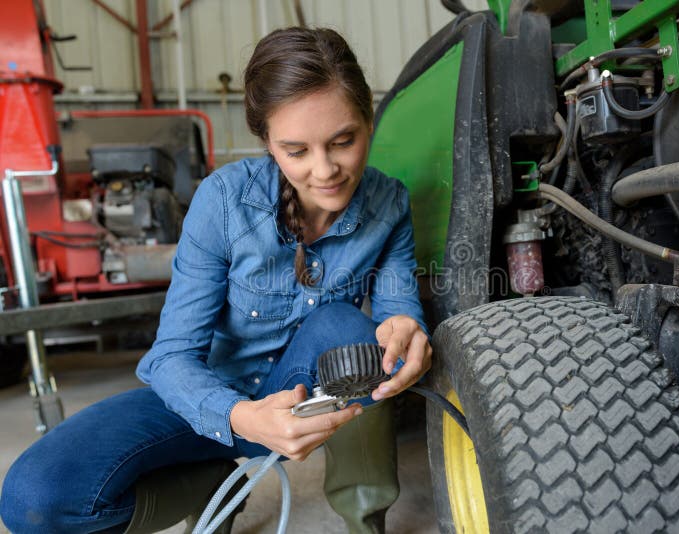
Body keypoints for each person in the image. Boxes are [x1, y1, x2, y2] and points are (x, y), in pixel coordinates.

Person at [0, 27, 432, 534]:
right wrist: (239, 417)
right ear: (268, 142)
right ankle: (209, 487)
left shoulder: (389, 203)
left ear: (368, 120)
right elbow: (169, 357)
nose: (326, 170)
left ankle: (365, 518)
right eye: (297, 151)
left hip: (301, 392)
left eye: (344, 141)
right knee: (34, 498)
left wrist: (406, 329)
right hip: (206, 400)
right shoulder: (224, 201)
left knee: (349, 332)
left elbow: (397, 309)